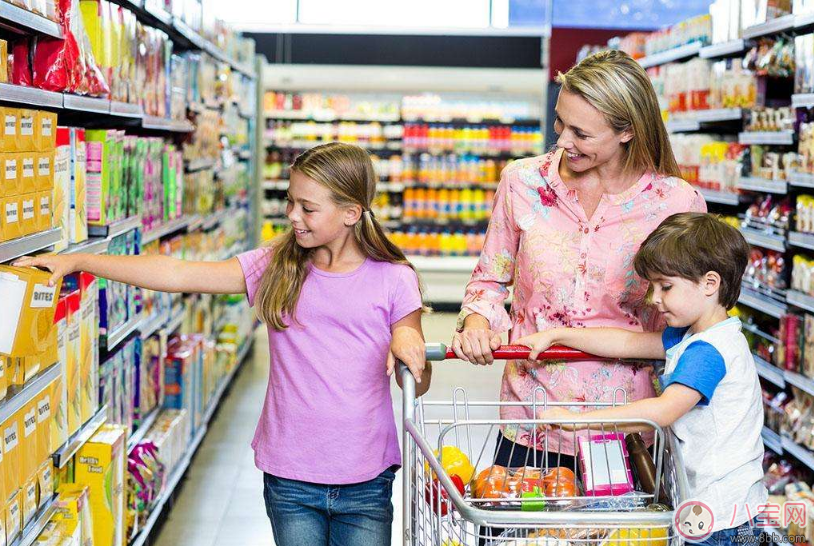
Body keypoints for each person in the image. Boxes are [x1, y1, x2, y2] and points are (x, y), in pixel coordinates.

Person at [15, 142, 431, 546]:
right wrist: (80, 261)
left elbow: (418, 381)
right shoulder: (278, 266)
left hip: (365, 477)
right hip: (290, 473)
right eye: (290, 201)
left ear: (351, 213)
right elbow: (177, 273)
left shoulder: (394, 279)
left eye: (307, 208)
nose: (292, 215)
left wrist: (408, 337)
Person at [452, 49, 707, 470]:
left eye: (581, 133)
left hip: (626, 423)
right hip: (531, 415)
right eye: (560, 122)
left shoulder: (675, 202)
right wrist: (477, 321)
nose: (562, 141)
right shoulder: (523, 182)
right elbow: (489, 281)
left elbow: (695, 315)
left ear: (627, 131)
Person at [517, 212, 766, 546]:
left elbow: (662, 411)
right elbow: (625, 343)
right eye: (653, 286)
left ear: (710, 283)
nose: (654, 298)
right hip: (713, 505)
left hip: (721, 518)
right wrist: (558, 335)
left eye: (666, 286)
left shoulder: (709, 351)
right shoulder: (691, 335)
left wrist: (577, 420)